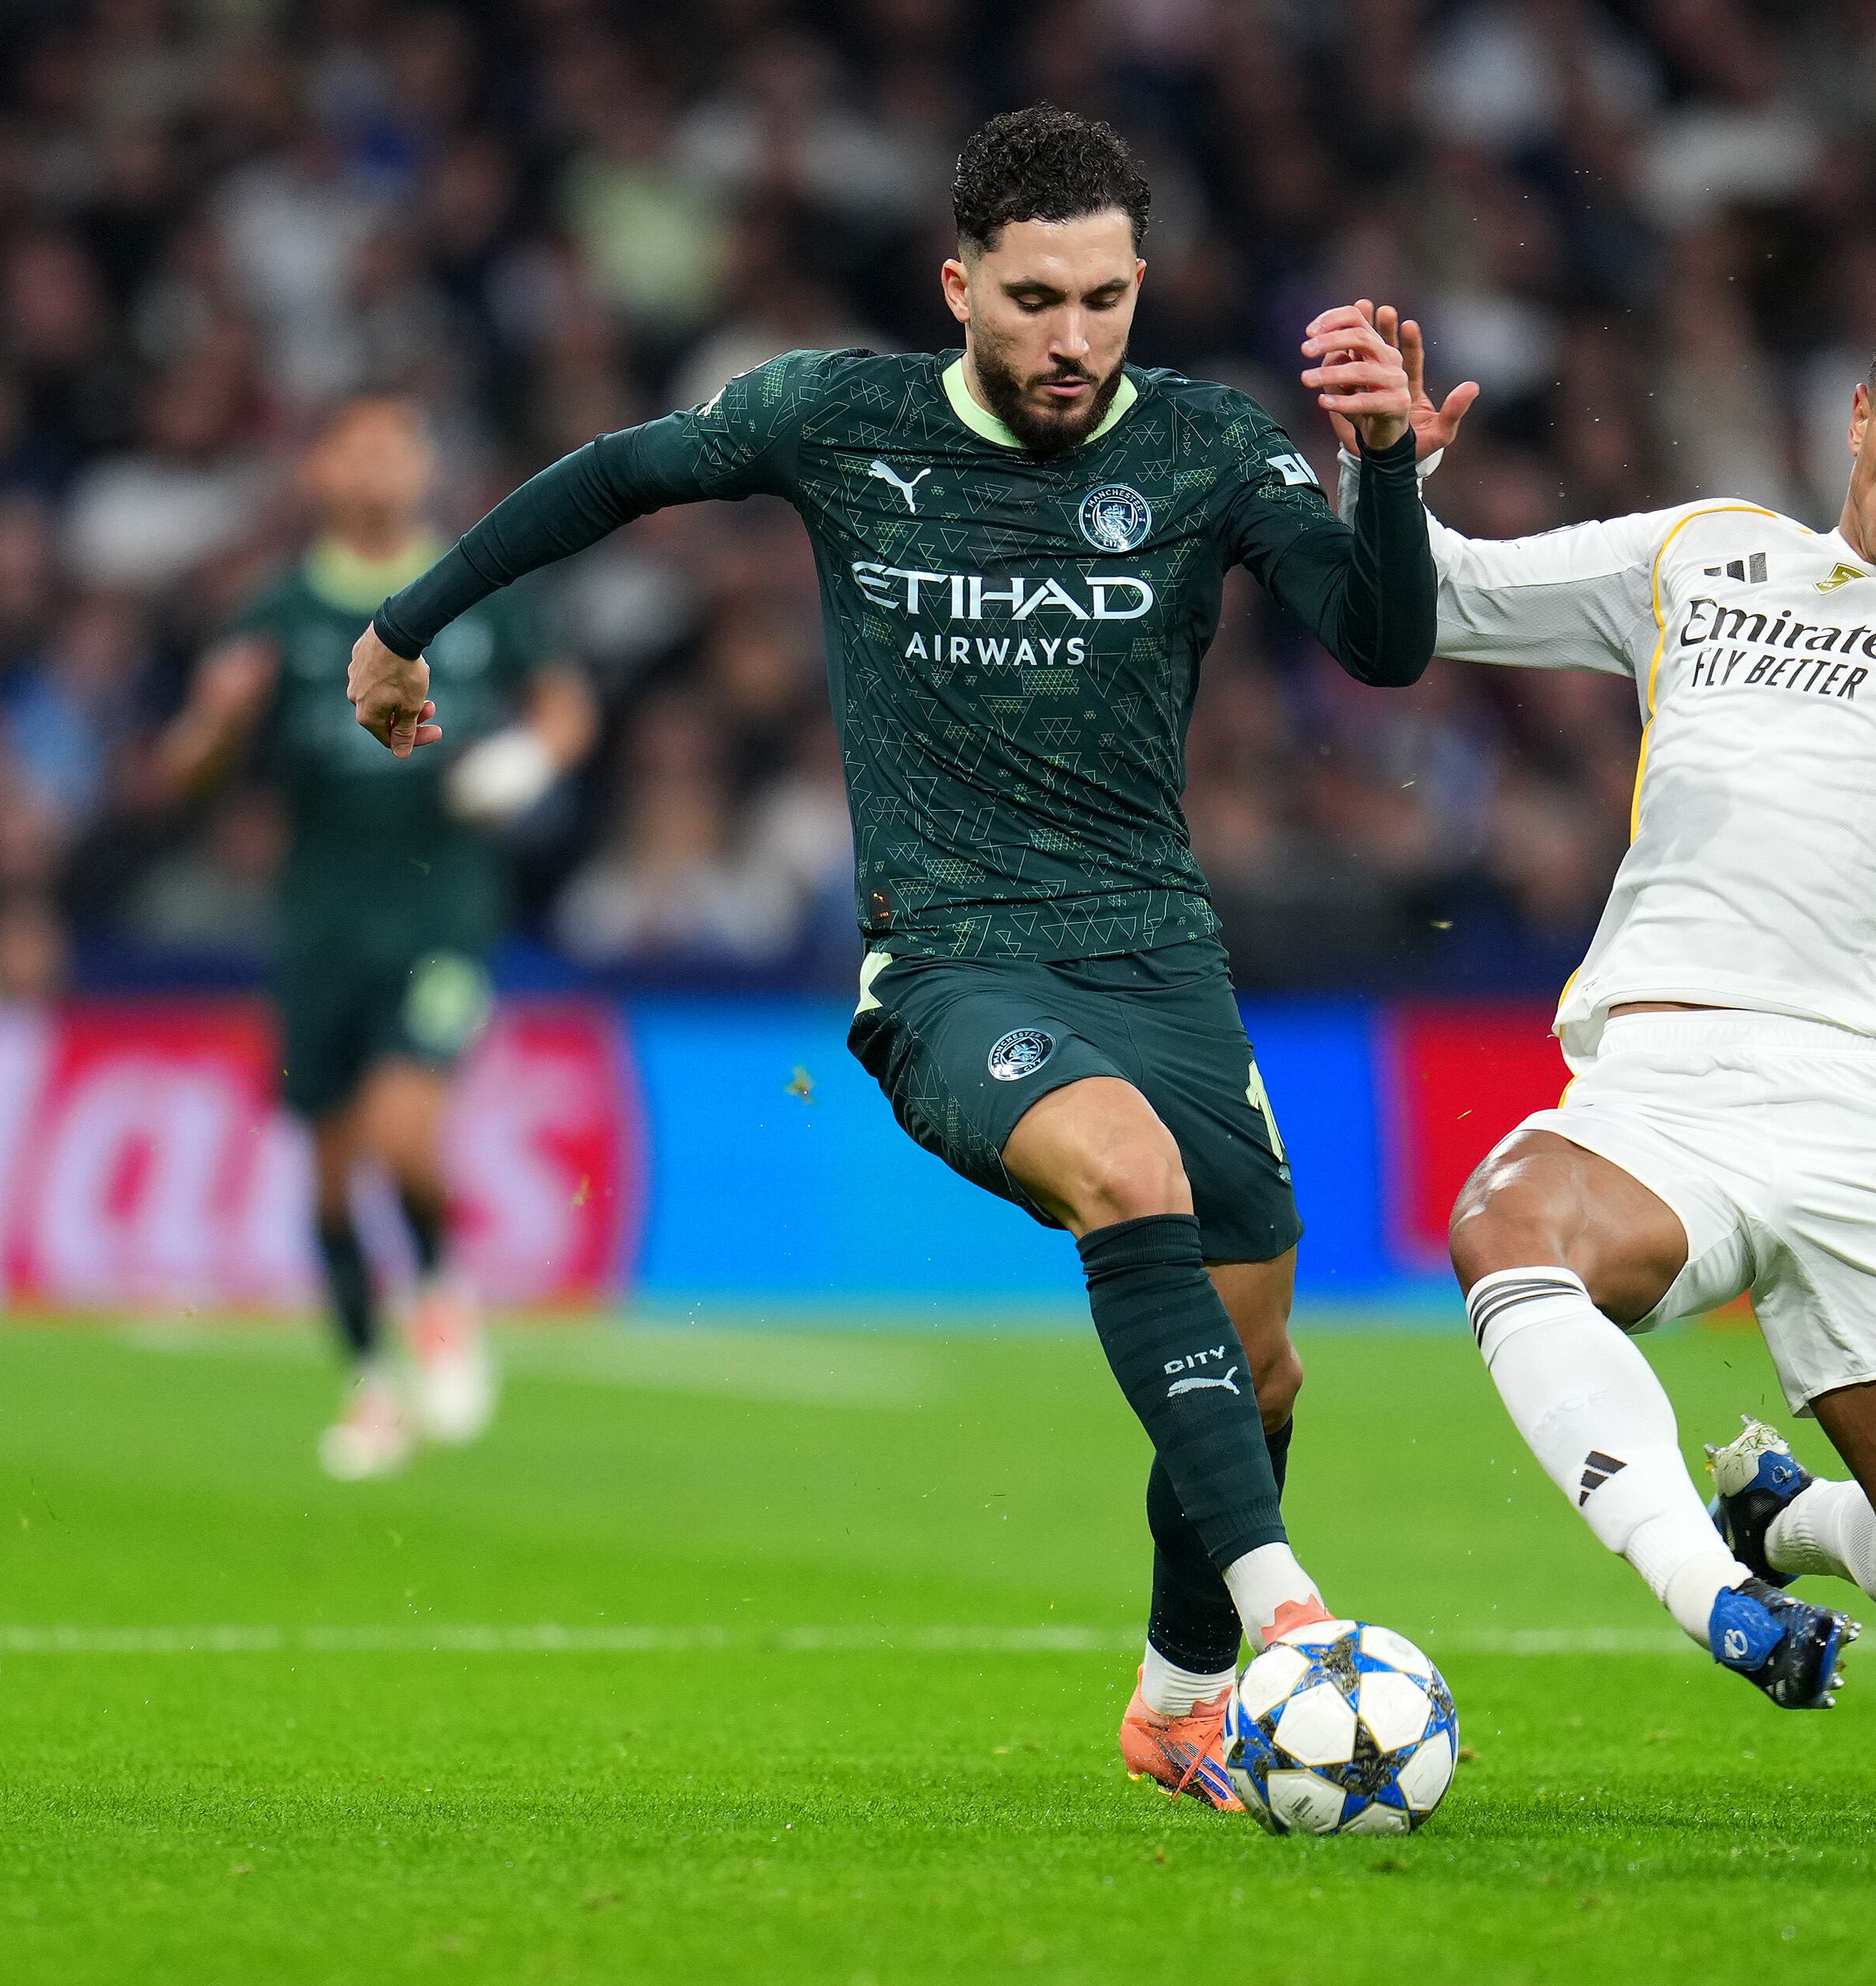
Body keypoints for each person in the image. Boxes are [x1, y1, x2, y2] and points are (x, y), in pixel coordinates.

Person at [337, 107, 1436, 1806]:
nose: (1072, 339)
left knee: (1258, 1365)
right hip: (951, 961)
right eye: (1033, 298)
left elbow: (1379, 645)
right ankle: (1291, 1614)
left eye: (1104, 299)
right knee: (1124, 1177)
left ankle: (1175, 1697)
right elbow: (622, 471)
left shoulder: (1211, 448)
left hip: (1159, 956)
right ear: (959, 286)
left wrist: (1385, 474)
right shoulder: (841, 420)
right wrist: (407, 622)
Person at [1336, 288, 1876, 1710]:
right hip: (1671, 1087)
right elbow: (1436, 601)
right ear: (1855, 416)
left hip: (1870, 1118)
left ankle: (1785, 1521)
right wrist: (1390, 471)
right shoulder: (1702, 554)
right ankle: (1711, 1590)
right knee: (1503, 1219)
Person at [159, 393, 596, 1481]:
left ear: (423, 463)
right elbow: (181, 781)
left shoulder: (473, 591)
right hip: (320, 922)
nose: (375, 470)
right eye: (353, 450)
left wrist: (527, 763)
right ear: (316, 470)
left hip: (442, 909)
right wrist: (214, 723)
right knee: (328, 1175)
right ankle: (368, 1386)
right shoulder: (274, 613)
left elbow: (565, 703)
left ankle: (442, 1292)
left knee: (406, 1131)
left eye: (395, 448)